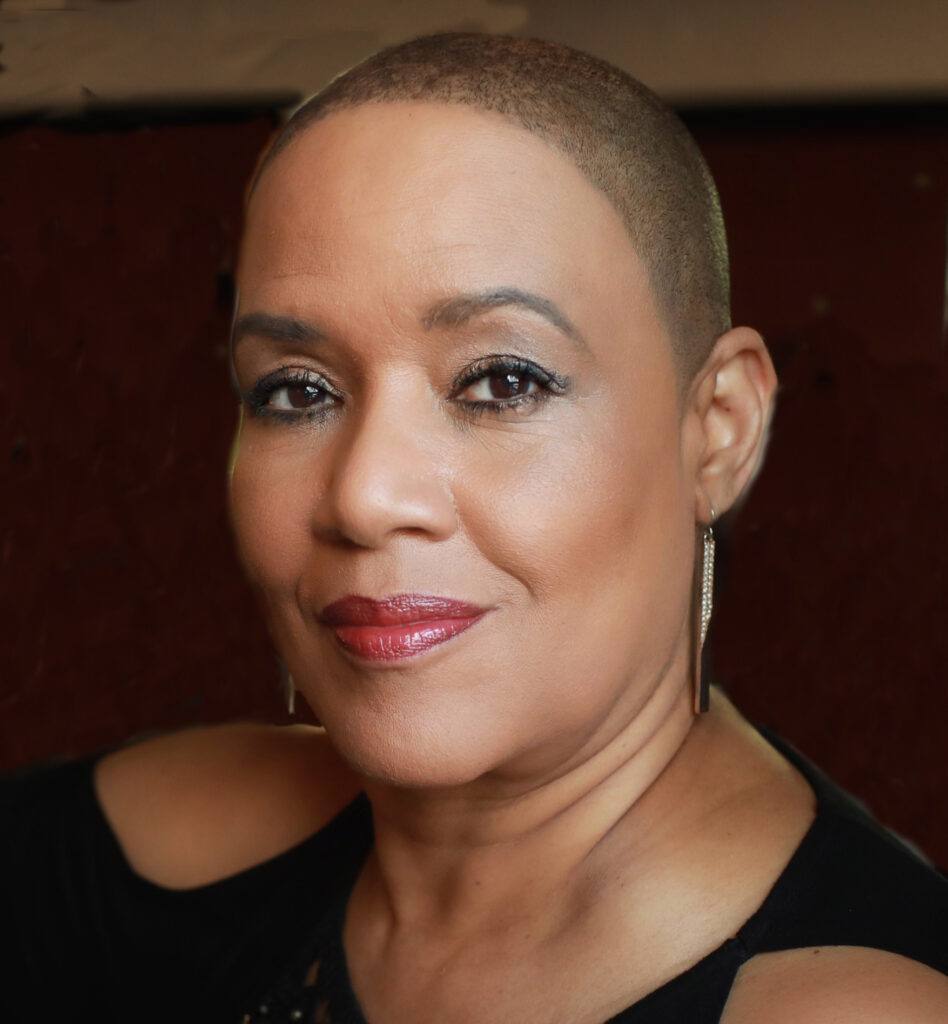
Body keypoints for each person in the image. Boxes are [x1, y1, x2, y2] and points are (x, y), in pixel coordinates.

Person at [5, 32, 947, 1024]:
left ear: (718, 429)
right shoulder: (132, 864)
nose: (363, 496)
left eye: (501, 381)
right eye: (296, 391)